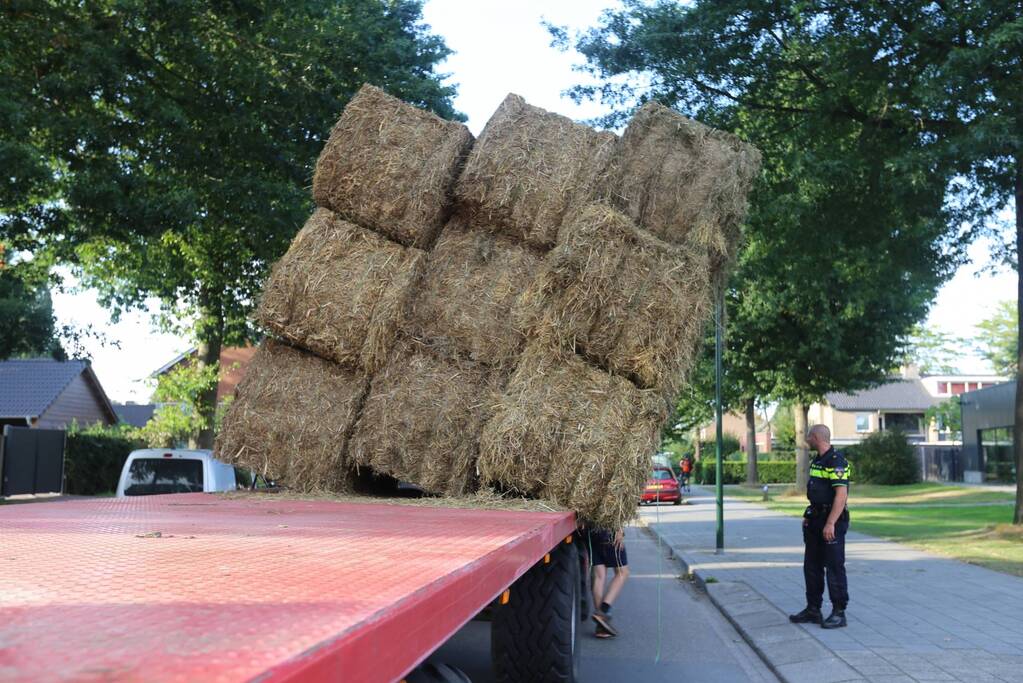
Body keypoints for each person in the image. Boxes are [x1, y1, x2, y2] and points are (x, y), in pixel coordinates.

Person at [789, 424, 851, 629]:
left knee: (833, 566)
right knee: (812, 566)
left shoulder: (836, 462)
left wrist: (831, 523)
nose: (806, 439)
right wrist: (810, 516)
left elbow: (841, 496)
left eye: (808, 436)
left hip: (831, 521)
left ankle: (839, 612)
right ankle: (813, 609)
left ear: (815, 437)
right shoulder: (818, 460)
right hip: (815, 519)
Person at [585, 526, 629, 638]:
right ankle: (603, 611)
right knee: (622, 573)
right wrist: (619, 529)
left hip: (591, 534)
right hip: (609, 533)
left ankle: (601, 627)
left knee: (599, 576)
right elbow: (616, 509)